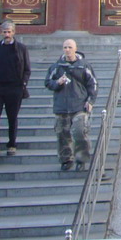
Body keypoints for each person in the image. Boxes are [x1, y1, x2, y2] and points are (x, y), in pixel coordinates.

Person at [45, 39, 97, 171]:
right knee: (62, 134)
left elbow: (93, 84)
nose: (67, 50)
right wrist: (57, 83)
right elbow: (48, 82)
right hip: (61, 106)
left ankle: (81, 159)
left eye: (69, 47)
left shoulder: (84, 65)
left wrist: (90, 101)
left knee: (80, 133)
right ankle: (66, 159)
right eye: (65, 47)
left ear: (75, 48)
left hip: (79, 104)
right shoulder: (56, 66)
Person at [0, 19, 31, 161]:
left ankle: (12, 144)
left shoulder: (21, 48)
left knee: (12, 118)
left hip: (14, 87)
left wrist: (23, 83)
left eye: (9, 32)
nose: (7, 34)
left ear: (14, 32)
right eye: (5, 32)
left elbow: (27, 69)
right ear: (1, 33)